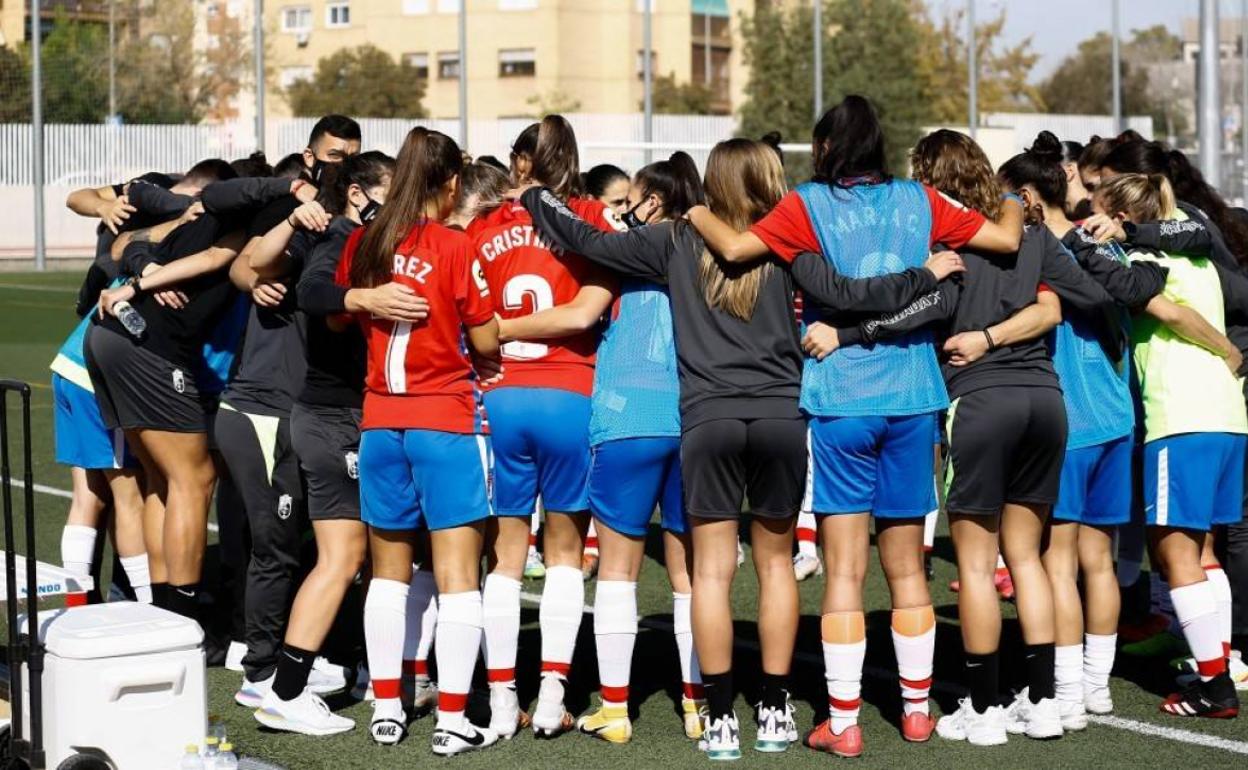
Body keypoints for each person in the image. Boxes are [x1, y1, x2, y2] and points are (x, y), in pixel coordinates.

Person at [522, 136, 964, 759]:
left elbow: (588, 242)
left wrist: (538, 196)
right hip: (784, 414)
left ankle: (721, 713)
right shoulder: (791, 239)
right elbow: (853, 293)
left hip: (707, 419)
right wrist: (924, 273)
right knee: (777, 565)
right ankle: (777, 708)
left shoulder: (675, 238)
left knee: (709, 572)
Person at [686, 96, 1023, 757]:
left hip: (840, 399)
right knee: (907, 571)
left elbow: (730, 248)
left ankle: (844, 722)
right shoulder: (923, 200)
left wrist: (691, 204)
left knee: (843, 572)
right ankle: (919, 711)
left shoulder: (806, 202)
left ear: (825, 149)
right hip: (915, 395)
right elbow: (1006, 238)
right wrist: (1014, 190)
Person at [509, 152, 706, 744]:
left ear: (655, 203)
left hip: (626, 416)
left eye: (632, 200)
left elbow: (585, 284)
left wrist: (537, 197)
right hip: (692, 419)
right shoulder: (709, 254)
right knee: (689, 571)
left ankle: (617, 709)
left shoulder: (624, 255)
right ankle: (698, 703)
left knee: (617, 572)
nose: (622, 210)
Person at [253, 151, 435, 737]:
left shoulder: (369, 242)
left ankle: (341, 673)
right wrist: (365, 300)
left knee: (357, 557)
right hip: (334, 418)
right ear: (359, 194)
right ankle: (285, 690)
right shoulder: (341, 237)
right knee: (344, 557)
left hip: (340, 417)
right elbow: (312, 292)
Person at [342, 127, 504, 755]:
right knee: (459, 575)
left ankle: (387, 708)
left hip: (380, 421)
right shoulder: (453, 245)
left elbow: (338, 305)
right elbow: (485, 339)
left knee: (388, 575)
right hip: (443, 418)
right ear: (452, 182)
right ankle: (454, 720)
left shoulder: (366, 240)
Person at [473, 116, 622, 739]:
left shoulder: (483, 225)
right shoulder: (592, 216)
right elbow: (588, 310)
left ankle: (502, 700)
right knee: (565, 555)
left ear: (522, 163)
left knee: (506, 555)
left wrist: (498, 334)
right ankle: (554, 690)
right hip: (570, 392)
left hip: (498, 398)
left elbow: (467, 314)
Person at [1093, 173, 1245, 719]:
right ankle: (1218, 665)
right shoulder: (1197, 257)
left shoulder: (1144, 261)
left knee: (1175, 554)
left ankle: (1215, 686)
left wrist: (1229, 350)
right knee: (1205, 552)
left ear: (1123, 217)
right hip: (1227, 415)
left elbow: (1174, 314)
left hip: (1180, 414)